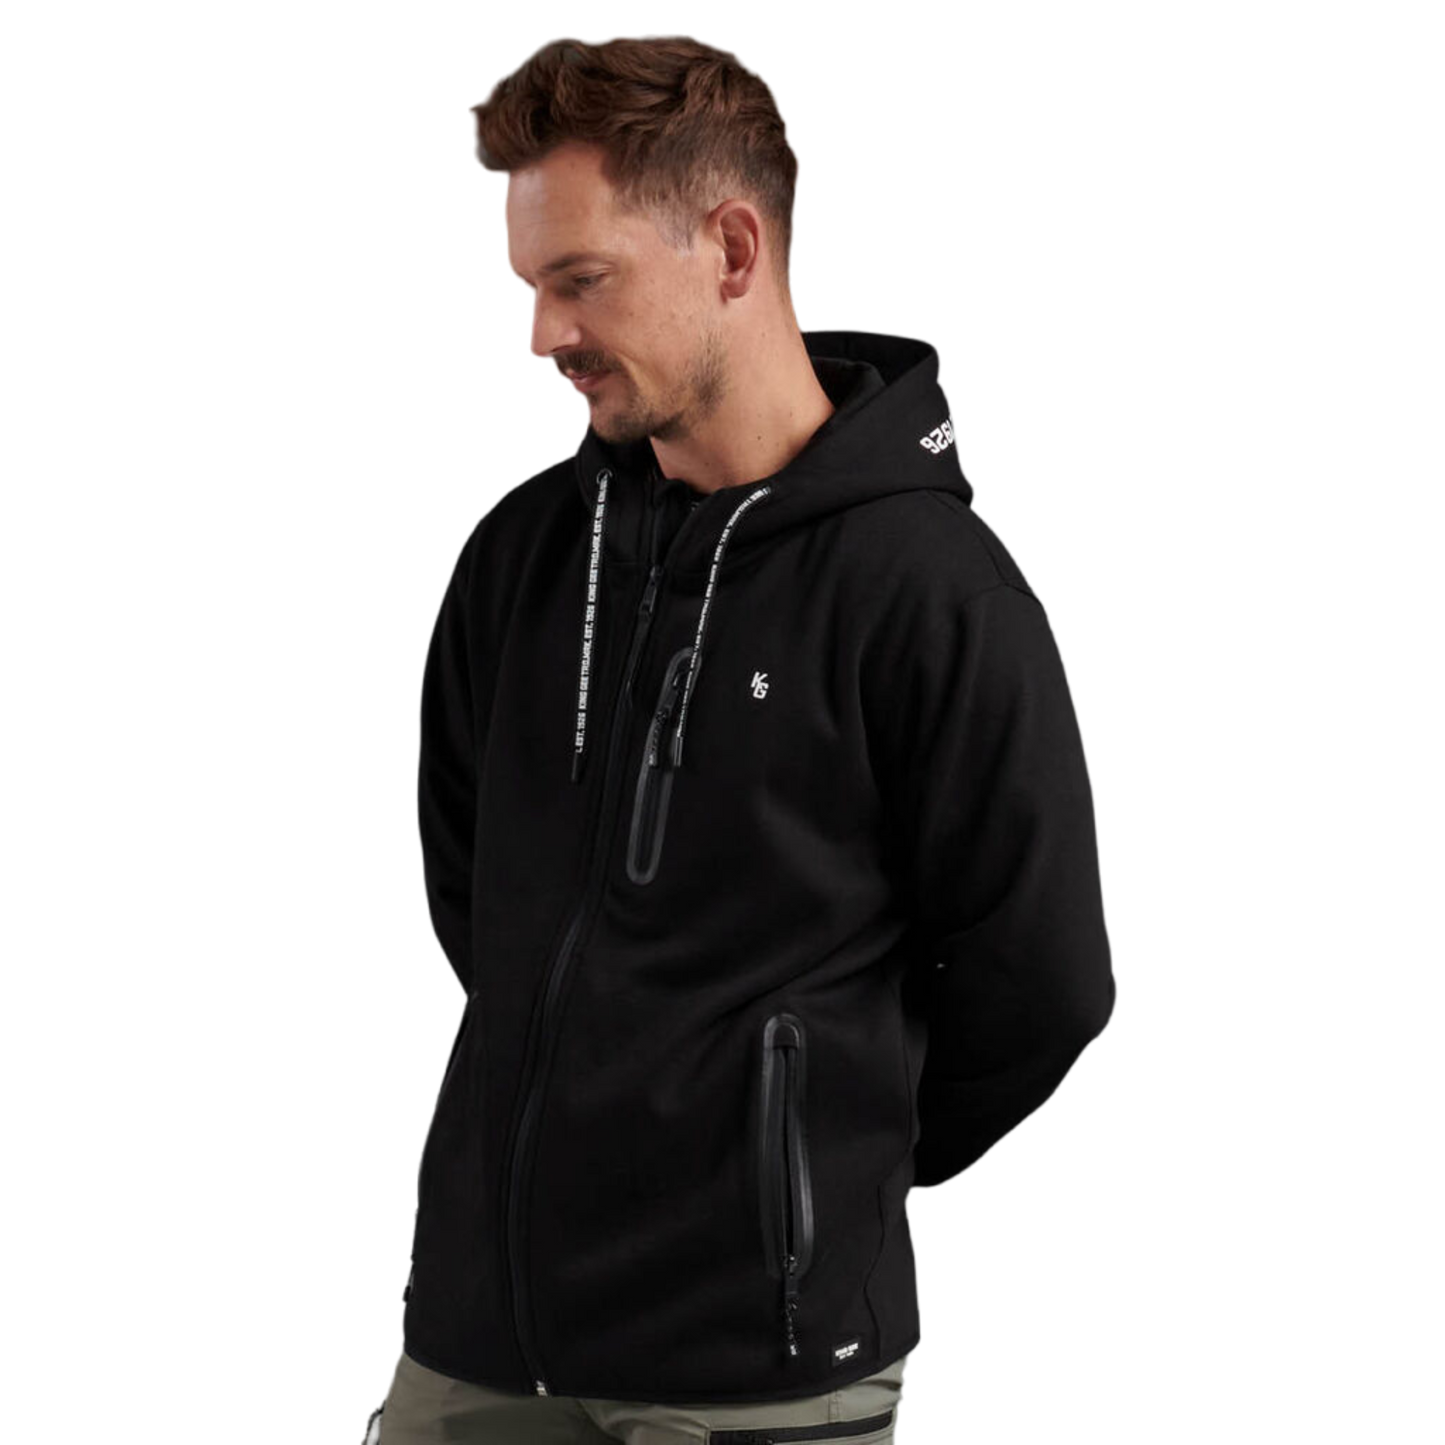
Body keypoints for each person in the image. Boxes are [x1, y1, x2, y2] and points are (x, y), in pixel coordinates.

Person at [384, 30, 1118, 1445]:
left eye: (580, 280)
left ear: (730, 249)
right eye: (528, 289)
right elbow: (477, 894)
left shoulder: (931, 592)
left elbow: (1045, 985)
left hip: (759, 1373)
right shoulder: (525, 553)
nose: (540, 337)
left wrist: (804, 1182)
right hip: (474, 1348)